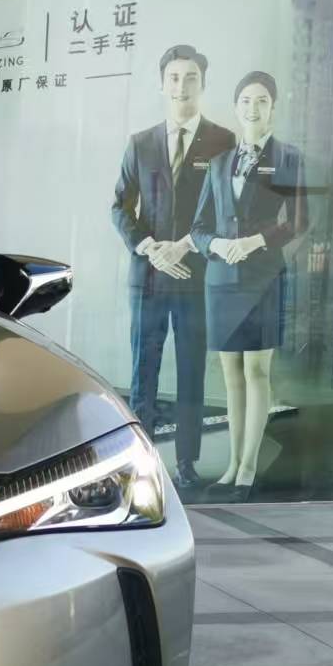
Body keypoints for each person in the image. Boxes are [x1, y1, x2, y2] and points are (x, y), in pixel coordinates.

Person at [111, 44, 236, 490]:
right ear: (162, 84)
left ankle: (186, 463)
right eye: (174, 77)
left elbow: (227, 209)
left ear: (203, 83)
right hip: (147, 277)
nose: (182, 86)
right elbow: (119, 206)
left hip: (196, 276)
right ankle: (138, 463)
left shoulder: (223, 141)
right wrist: (150, 248)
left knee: (191, 371)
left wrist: (184, 247)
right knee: (142, 371)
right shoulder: (141, 143)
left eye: (191, 77)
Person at [189, 70, 308, 501]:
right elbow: (199, 228)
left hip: (263, 277)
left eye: (261, 101)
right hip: (221, 279)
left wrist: (254, 241)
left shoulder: (289, 157)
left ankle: (249, 468)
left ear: (272, 107)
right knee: (230, 375)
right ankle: (231, 465)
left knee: (257, 372)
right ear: (235, 107)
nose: (252, 108)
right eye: (245, 101)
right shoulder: (219, 163)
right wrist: (218, 244)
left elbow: (299, 221)